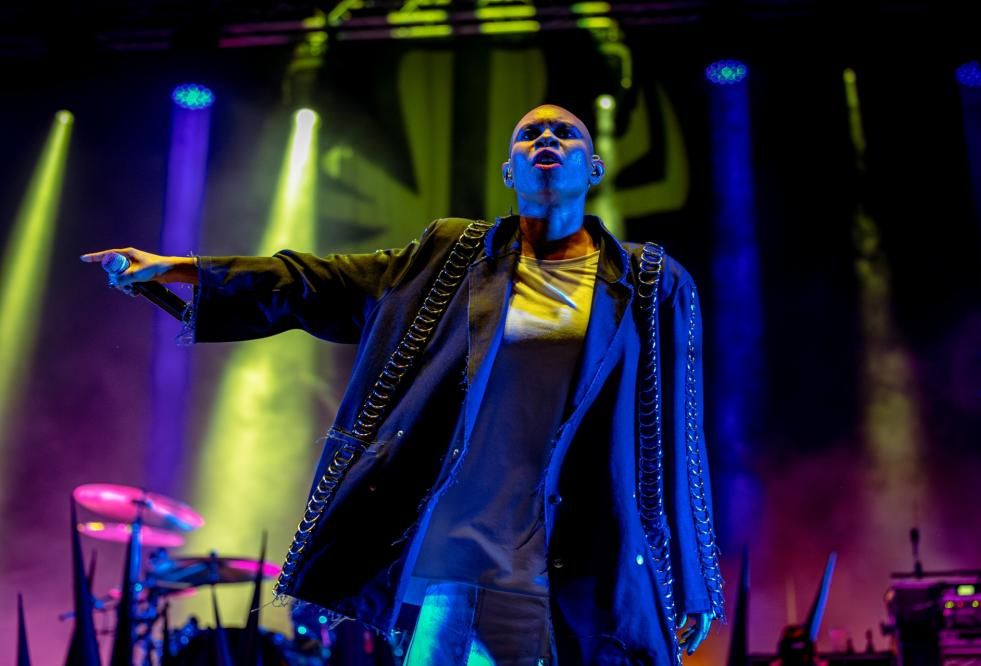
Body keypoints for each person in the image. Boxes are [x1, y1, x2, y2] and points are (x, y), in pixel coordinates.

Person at [83, 105, 724, 665]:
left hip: (585, 553)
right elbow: (321, 281)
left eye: (565, 133)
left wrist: (693, 580)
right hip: (464, 556)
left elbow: (677, 436)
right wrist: (183, 269)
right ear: (509, 172)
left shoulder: (650, 281)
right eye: (530, 135)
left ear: (594, 168)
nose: (547, 139)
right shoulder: (452, 257)